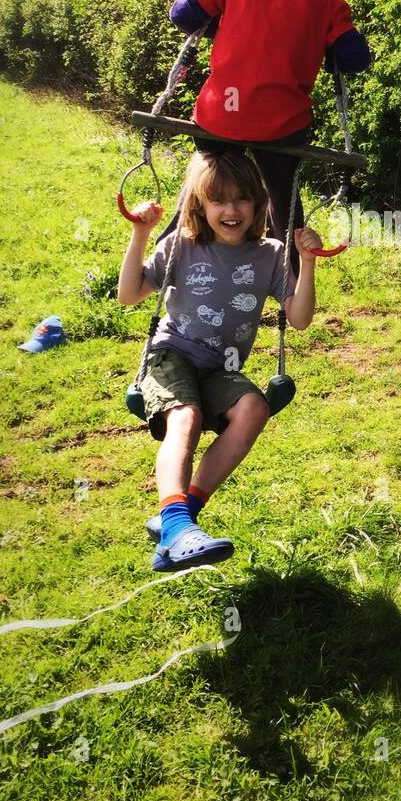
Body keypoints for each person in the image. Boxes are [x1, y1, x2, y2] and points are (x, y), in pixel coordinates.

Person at [118, 146, 322, 571]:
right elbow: (129, 294)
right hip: (171, 355)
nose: (231, 209)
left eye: (242, 198)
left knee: (253, 408)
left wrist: (307, 262)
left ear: (258, 203)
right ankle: (177, 524)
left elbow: (299, 319)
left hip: (222, 368)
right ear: (200, 204)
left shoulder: (270, 254)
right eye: (218, 199)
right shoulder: (182, 245)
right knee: (185, 416)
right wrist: (140, 233)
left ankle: (178, 520)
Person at [169, 0, 370, 275]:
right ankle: (288, 275)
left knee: (207, 184)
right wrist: (320, 41)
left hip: (219, 115)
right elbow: (356, 58)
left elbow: (182, 14)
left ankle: (173, 255)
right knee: (283, 195)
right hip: (282, 124)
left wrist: (223, 23)